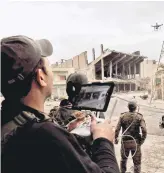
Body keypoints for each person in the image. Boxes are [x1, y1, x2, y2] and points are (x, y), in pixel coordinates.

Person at [1, 35, 120, 173]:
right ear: (41, 77)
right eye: (48, 65)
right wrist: (103, 139)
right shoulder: (46, 135)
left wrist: (65, 132)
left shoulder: (9, 122)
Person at [114, 101, 147, 173]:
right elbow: (144, 130)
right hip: (136, 142)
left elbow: (117, 129)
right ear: (136, 108)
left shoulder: (122, 116)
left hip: (125, 142)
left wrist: (116, 139)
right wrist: (142, 140)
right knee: (137, 163)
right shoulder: (139, 117)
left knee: (123, 160)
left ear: (128, 107)